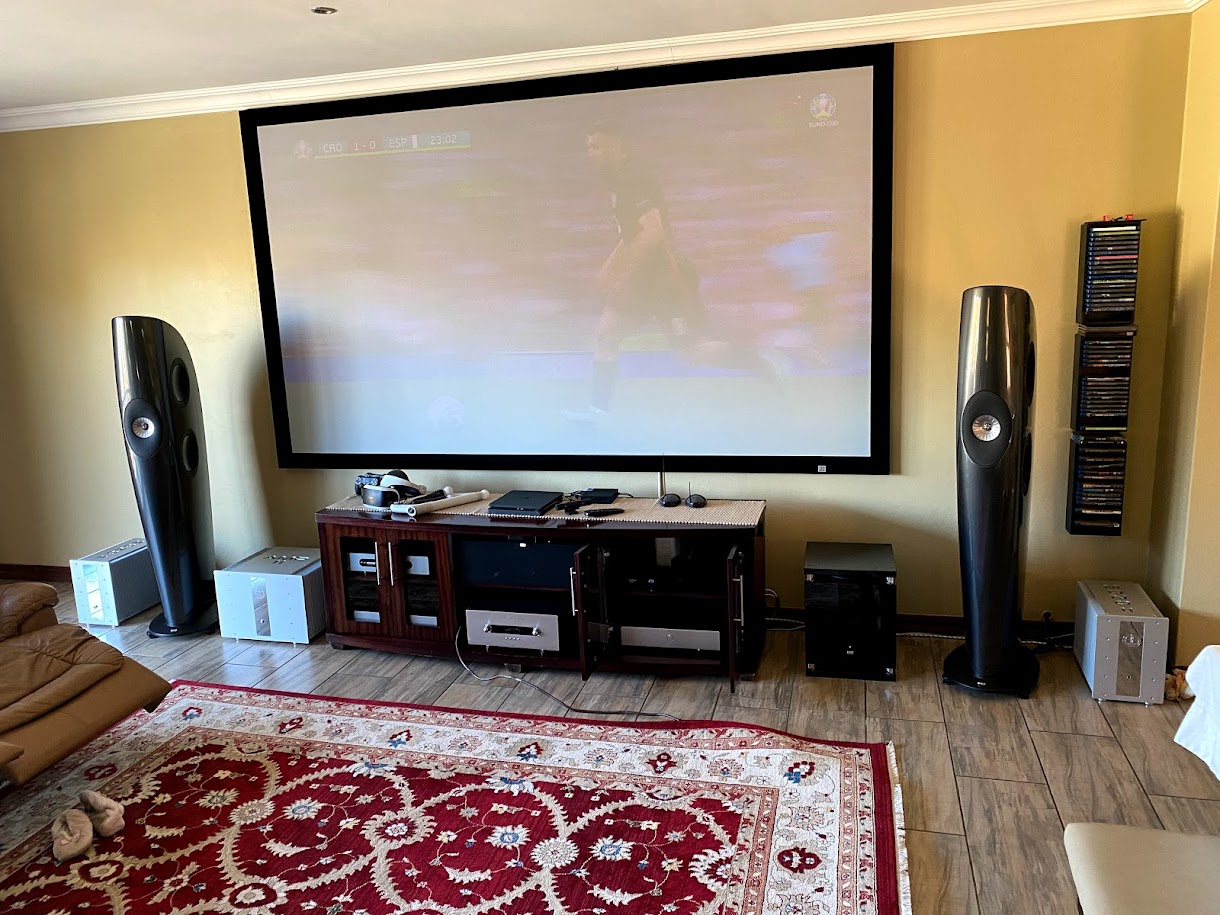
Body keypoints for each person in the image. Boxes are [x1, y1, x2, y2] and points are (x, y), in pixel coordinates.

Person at [565, 121, 711, 421]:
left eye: (597, 146)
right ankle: (597, 410)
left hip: (659, 279)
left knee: (691, 352)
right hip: (641, 280)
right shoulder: (616, 181)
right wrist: (610, 266)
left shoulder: (633, 179)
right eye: (588, 147)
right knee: (606, 333)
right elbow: (631, 234)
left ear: (616, 145)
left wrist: (622, 271)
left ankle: (753, 359)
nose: (591, 153)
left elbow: (653, 232)